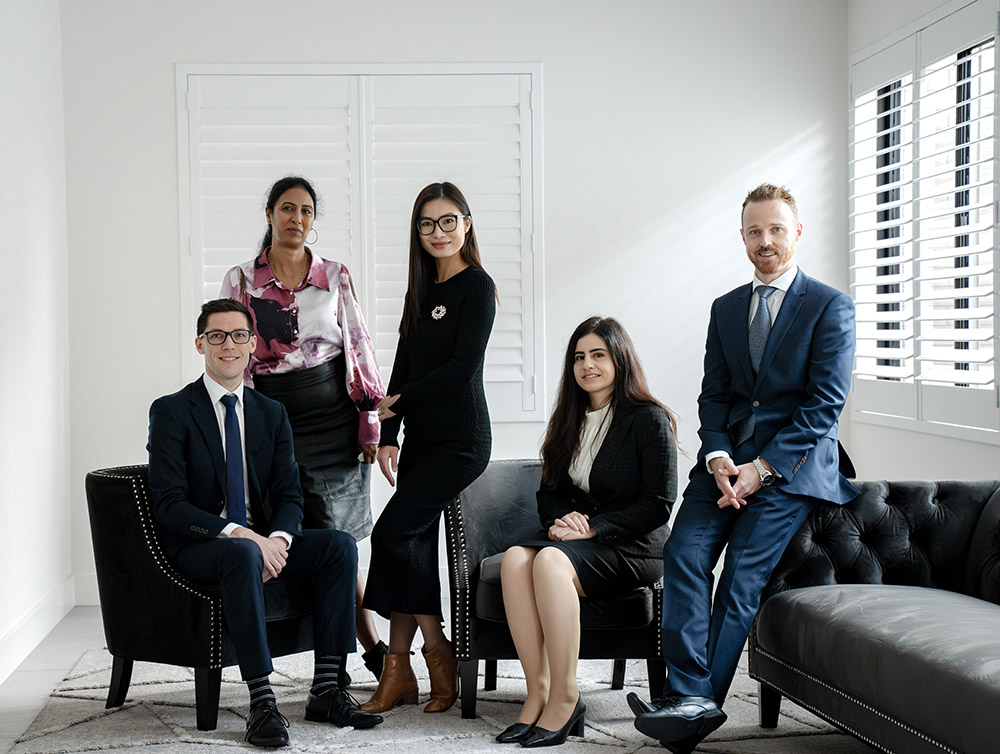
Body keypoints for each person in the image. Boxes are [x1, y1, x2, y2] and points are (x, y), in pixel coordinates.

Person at [628, 184, 858, 754]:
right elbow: (715, 396)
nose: (766, 241)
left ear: (797, 232)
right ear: (742, 238)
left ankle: (695, 702)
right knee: (683, 553)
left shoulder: (829, 306)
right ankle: (691, 697)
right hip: (726, 465)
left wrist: (763, 468)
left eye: (777, 229)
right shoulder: (726, 308)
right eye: (755, 231)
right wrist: (719, 456)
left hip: (793, 467)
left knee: (740, 577)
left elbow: (825, 403)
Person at [147, 299, 384, 747]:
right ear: (200, 344)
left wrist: (276, 539)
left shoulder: (270, 413)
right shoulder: (173, 411)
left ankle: (328, 689)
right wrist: (243, 535)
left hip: (260, 542)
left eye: (239, 335)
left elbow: (290, 494)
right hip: (202, 546)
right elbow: (168, 504)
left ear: (253, 345)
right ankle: (262, 702)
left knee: (338, 546)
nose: (228, 345)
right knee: (240, 554)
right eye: (216, 335)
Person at [220, 176, 388, 681]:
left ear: (314, 221)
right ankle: (357, 652)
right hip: (274, 421)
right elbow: (237, 354)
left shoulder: (335, 274)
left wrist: (370, 419)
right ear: (269, 213)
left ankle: (365, 652)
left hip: (335, 422)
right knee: (299, 533)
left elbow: (357, 343)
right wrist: (241, 425)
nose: (297, 219)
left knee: (335, 538)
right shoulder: (242, 279)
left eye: (307, 211)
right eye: (287, 208)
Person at [497, 317, 678, 748]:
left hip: (632, 543)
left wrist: (594, 527)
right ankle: (537, 691)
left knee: (548, 562)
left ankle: (566, 694)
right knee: (515, 559)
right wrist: (567, 521)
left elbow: (659, 503)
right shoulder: (568, 419)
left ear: (619, 358)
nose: (587, 365)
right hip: (580, 537)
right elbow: (549, 493)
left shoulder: (648, 419)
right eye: (579, 357)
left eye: (598, 355)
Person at [360, 182, 496, 715]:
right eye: (426, 224)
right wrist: (388, 436)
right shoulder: (420, 291)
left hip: (462, 442)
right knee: (408, 545)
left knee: (391, 531)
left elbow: (460, 371)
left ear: (466, 222)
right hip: (419, 440)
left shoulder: (477, 287)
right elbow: (405, 365)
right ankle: (399, 671)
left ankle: (436, 652)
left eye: (447, 221)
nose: (437, 233)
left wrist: (396, 404)